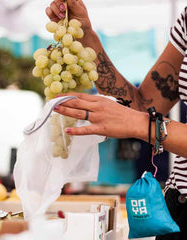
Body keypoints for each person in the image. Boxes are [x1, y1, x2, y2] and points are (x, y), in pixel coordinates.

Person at [46, 1, 187, 239]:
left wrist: (142, 124)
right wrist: (86, 38)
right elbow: (145, 106)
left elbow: (142, 119)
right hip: (178, 207)